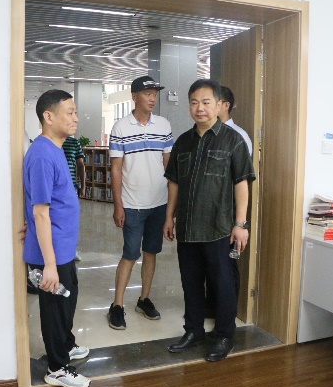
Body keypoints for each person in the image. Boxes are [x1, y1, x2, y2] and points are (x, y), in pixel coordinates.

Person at [163, 79, 256, 362]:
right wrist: (169, 217)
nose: (199, 108)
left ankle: (225, 336)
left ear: (218, 105)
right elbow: (174, 183)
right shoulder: (183, 141)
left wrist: (241, 224)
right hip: (188, 226)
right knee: (190, 283)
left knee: (222, 284)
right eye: (194, 102)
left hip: (219, 227)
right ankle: (193, 331)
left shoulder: (233, 140)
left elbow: (242, 184)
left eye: (205, 102)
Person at [23, 89, 90, 387]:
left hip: (62, 249)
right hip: (50, 253)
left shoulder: (56, 149)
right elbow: (40, 212)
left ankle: (65, 344)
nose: (76, 118)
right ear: (48, 117)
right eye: (70, 112)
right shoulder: (41, 155)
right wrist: (49, 264)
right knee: (55, 309)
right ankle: (57, 367)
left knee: (67, 300)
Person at [107, 75, 174, 330]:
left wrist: (171, 207)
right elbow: (116, 170)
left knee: (151, 253)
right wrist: (118, 205)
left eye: (154, 94)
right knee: (130, 254)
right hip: (132, 203)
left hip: (159, 203)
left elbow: (169, 167)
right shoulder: (121, 128)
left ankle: (144, 299)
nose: (152, 98)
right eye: (147, 93)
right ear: (134, 96)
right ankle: (117, 305)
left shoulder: (163, 125)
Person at [203, 86, 254, 319]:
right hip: (209, 209)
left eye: (212, 102)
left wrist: (239, 221)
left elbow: (241, 179)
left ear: (224, 105)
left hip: (230, 211)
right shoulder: (206, 133)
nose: (206, 108)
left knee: (227, 263)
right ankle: (211, 306)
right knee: (210, 261)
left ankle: (227, 314)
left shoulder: (238, 136)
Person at [62, 135, 86, 261]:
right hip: (55, 188)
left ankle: (72, 250)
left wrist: (83, 185)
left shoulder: (74, 143)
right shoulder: (51, 141)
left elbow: (80, 165)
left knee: (71, 221)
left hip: (71, 187)